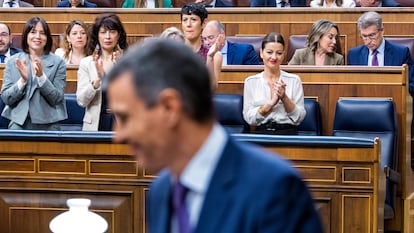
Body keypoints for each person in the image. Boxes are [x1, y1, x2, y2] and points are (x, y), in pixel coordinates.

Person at [103, 38, 324, 233]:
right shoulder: (161, 192)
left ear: (170, 108)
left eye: (125, 117)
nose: (117, 136)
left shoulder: (275, 189)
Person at [1, 17, 67, 130]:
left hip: (49, 123)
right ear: (26, 36)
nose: (37, 36)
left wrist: (42, 78)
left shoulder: (58, 62)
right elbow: (6, 98)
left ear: (47, 38)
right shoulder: (13, 61)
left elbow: (57, 98)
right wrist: (22, 81)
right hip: (19, 123)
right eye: (33, 32)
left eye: (42, 33)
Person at [244, 32, 306, 135]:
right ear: (261, 53)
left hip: (288, 133)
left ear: (283, 55)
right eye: (269, 52)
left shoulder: (294, 80)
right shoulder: (251, 82)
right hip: (261, 133)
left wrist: (284, 98)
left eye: (279, 53)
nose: (274, 57)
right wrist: (270, 104)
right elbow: (249, 118)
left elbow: (299, 118)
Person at [76, 13, 128, 131]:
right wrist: (97, 81)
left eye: (112, 32)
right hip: (95, 124)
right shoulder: (87, 63)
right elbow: (81, 101)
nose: (108, 37)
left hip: (121, 124)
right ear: (97, 36)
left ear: (119, 35)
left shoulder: (128, 61)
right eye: (103, 32)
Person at [348, 11, 414, 94]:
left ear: (382, 30)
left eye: (372, 35)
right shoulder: (354, 55)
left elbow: (411, 85)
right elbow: (351, 86)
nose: (368, 41)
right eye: (364, 36)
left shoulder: (401, 53)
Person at [181, 3, 223, 91]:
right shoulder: (173, 52)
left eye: (193, 19)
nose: (188, 24)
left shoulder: (215, 55)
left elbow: (211, 89)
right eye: (185, 20)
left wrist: (210, 57)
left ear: (204, 23)